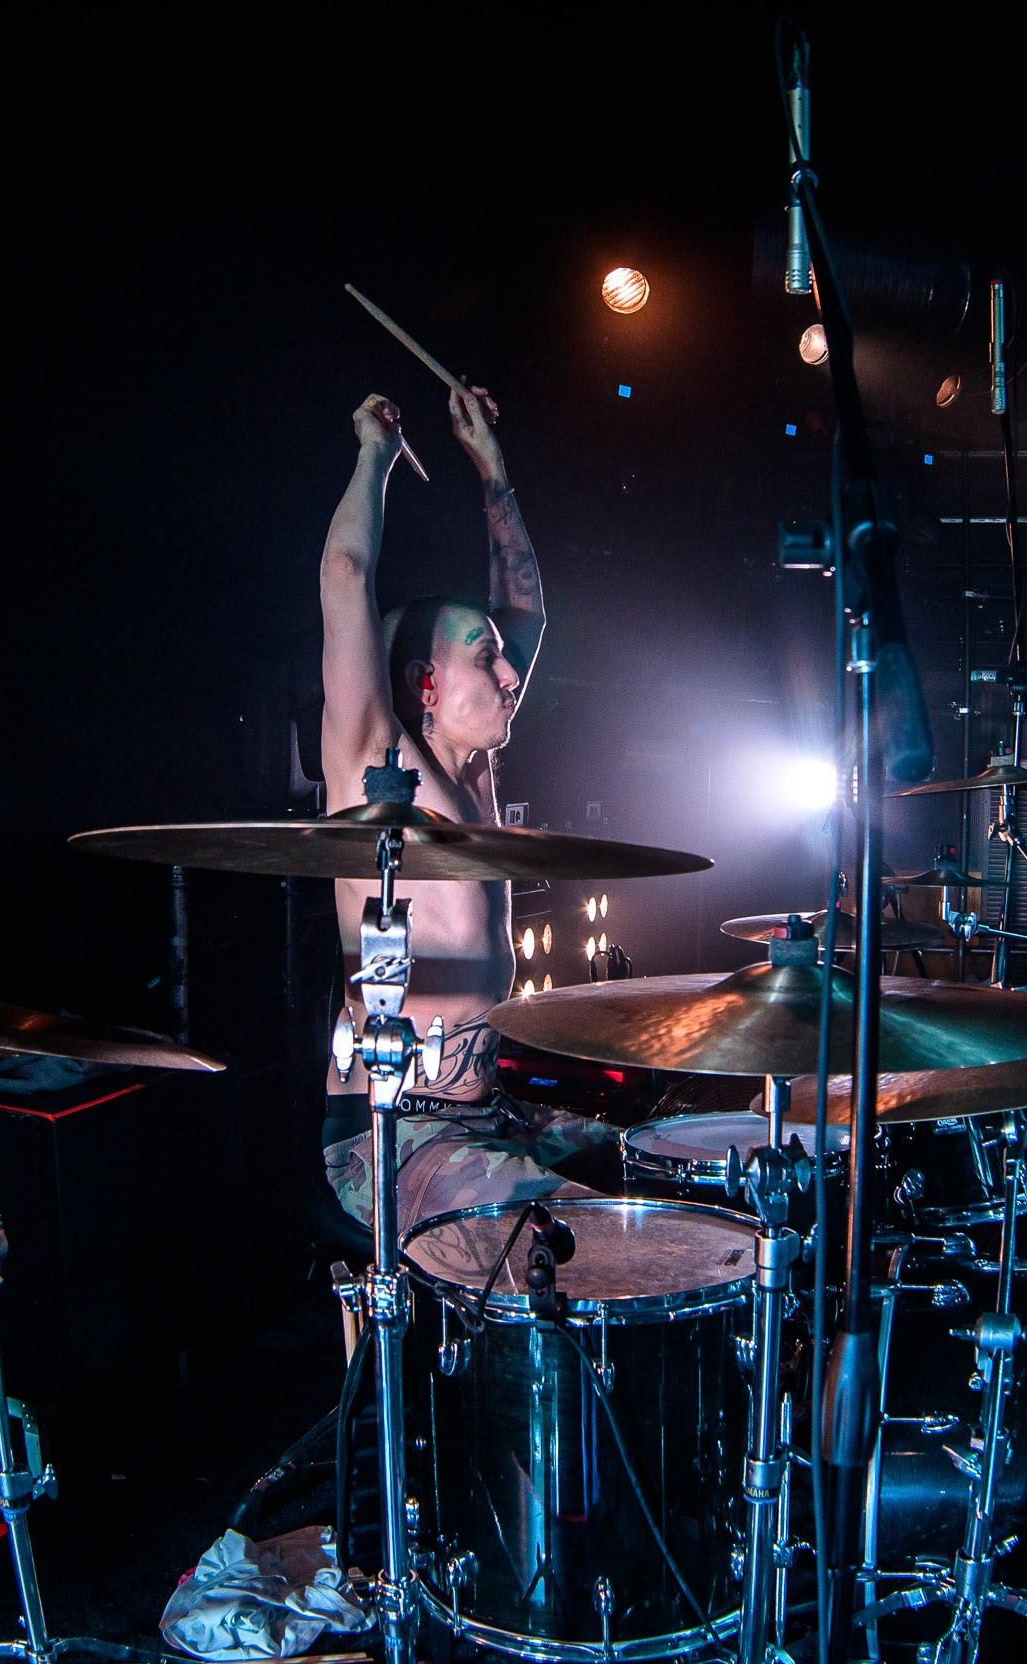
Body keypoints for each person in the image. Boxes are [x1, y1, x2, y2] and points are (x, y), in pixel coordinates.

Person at [314, 386, 615, 1236]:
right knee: (587, 1239)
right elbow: (345, 576)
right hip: (391, 1134)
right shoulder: (377, 760)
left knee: (645, 1171)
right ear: (426, 687)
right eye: (488, 658)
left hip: (480, 1115)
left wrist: (494, 472)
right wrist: (374, 450)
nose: (514, 673)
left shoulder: (478, 770)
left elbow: (529, 612)